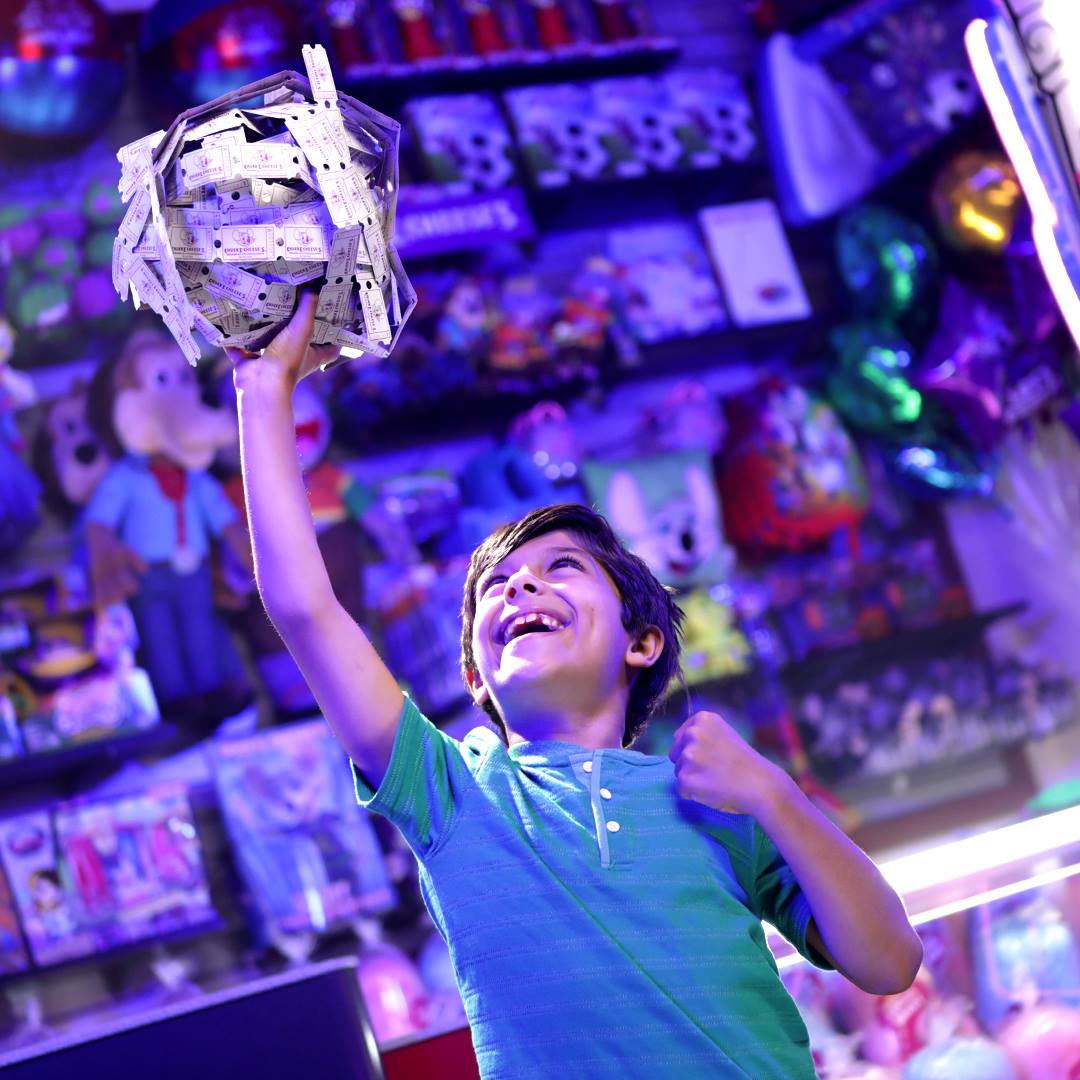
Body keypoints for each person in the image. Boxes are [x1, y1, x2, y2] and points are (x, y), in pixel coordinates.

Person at [231, 293, 923, 1079]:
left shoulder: (721, 801)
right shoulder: (451, 793)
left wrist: (775, 794)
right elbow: (305, 609)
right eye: (495, 587)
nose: (519, 587)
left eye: (560, 567)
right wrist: (264, 390)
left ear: (642, 642)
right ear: (475, 678)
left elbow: (890, 961)